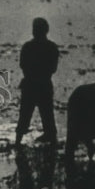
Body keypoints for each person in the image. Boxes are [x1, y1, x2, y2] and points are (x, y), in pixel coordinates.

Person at [15, 18, 60, 146]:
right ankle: (52, 142)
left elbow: (23, 65)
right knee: (47, 115)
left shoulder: (28, 47)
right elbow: (53, 68)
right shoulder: (51, 47)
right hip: (44, 85)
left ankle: (17, 142)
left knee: (25, 114)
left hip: (30, 85)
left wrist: (32, 74)